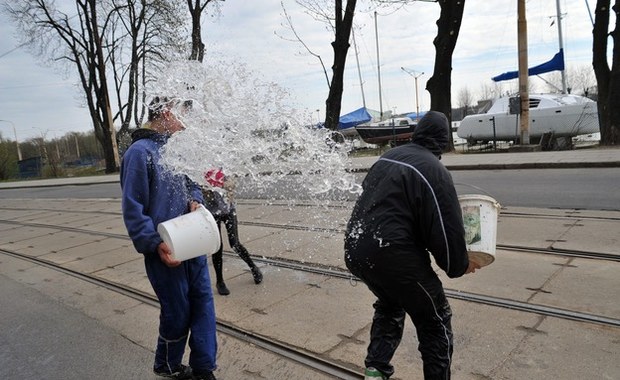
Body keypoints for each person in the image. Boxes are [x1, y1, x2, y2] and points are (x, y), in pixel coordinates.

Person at [344, 111, 481, 380]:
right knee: (435, 321)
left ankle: (376, 372)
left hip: (357, 248)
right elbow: (446, 228)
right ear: (442, 141)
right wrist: (460, 264)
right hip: (393, 255)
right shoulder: (434, 170)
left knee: (391, 303)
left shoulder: (388, 158)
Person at [120, 96, 218, 380]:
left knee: (203, 305)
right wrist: (153, 243)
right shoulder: (139, 153)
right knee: (177, 313)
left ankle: (203, 368)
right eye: (181, 114)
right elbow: (133, 210)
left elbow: (192, 185)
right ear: (164, 113)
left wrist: (196, 201)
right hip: (165, 250)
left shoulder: (178, 151)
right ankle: (167, 364)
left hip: (193, 242)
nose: (185, 121)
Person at [202, 168, 263, 296]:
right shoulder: (199, 170)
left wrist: (224, 184)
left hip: (228, 210)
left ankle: (253, 267)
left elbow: (232, 185)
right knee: (217, 247)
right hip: (212, 213)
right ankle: (220, 281)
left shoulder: (222, 166)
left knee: (235, 243)